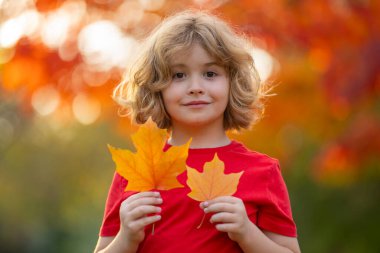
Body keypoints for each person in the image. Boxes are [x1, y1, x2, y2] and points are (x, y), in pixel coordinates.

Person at [94, 10, 300, 253]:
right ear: (156, 87)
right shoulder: (134, 174)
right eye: (179, 75)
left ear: (232, 83)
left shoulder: (262, 172)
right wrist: (126, 238)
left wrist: (247, 233)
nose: (195, 87)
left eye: (210, 74)